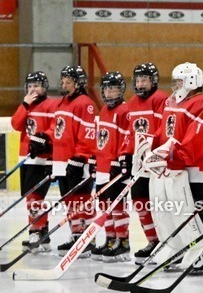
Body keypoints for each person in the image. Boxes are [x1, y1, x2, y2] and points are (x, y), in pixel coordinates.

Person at [144, 62, 203, 273]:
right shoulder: (172, 102)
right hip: (173, 164)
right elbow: (162, 132)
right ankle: (182, 245)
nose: (176, 85)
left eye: (179, 81)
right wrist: (151, 150)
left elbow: (197, 137)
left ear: (191, 81)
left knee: (194, 205)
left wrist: (176, 156)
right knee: (173, 208)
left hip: (194, 165)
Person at [32, 66, 97, 252]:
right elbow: (56, 128)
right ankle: (76, 235)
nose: (64, 84)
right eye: (63, 81)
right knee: (68, 200)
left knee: (82, 199)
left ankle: (88, 238)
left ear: (78, 84)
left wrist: (81, 156)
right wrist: (45, 138)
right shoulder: (62, 103)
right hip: (61, 160)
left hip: (76, 161)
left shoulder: (85, 103)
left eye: (68, 82)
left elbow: (88, 133)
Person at [120, 63, 169, 263]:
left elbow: (163, 129)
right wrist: (125, 154)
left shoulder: (161, 99)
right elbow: (130, 132)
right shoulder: (132, 102)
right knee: (140, 201)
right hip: (138, 162)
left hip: (156, 161)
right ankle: (152, 241)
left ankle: (167, 242)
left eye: (144, 80)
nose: (140, 84)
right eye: (138, 80)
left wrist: (152, 151)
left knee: (160, 204)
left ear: (153, 81)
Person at [12, 71, 57, 252]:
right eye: (30, 86)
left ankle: (36, 231)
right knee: (31, 198)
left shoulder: (52, 104)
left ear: (44, 86)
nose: (33, 89)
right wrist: (24, 104)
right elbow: (16, 125)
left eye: (37, 85)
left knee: (35, 198)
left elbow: (57, 127)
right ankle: (43, 232)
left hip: (42, 158)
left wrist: (46, 139)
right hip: (26, 158)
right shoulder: (27, 106)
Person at [93, 72, 131, 261]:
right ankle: (110, 239)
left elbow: (127, 137)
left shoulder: (125, 110)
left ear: (121, 90)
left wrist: (122, 159)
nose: (109, 93)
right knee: (104, 205)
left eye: (113, 89)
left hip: (115, 168)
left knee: (117, 206)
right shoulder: (103, 111)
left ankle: (123, 242)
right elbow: (100, 140)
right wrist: (95, 160)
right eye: (106, 89)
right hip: (103, 167)